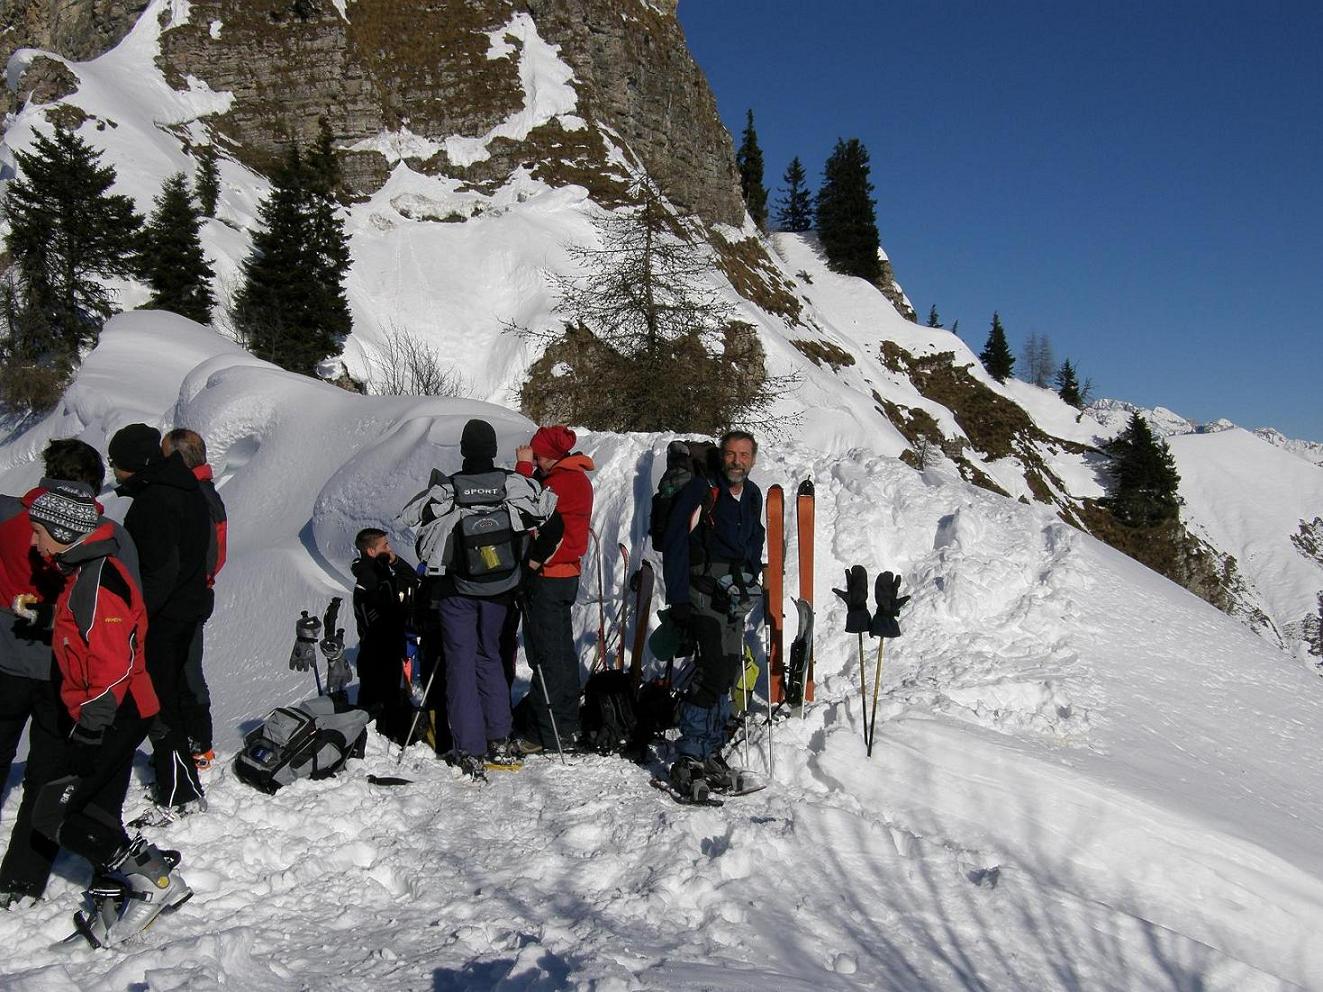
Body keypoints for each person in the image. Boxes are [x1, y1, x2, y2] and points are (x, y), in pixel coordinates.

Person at [27, 482, 190, 947]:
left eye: (40, 532)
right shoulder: (85, 570)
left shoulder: (99, 580)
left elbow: (113, 665)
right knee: (97, 810)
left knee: (53, 814)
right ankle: (114, 898)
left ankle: (153, 879)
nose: (35, 542)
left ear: (63, 530)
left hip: (114, 712)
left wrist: (89, 733)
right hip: (118, 710)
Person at [400, 419, 557, 779]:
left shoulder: (450, 488)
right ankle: (499, 738)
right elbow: (549, 516)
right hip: (500, 590)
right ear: (491, 449)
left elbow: (415, 524)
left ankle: (469, 748)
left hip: (458, 591)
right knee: (490, 658)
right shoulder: (511, 485)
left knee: (460, 664)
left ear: (464, 450)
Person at [0, 440, 116, 905]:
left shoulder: (10, 515)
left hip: (4, 655)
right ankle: (22, 880)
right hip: (61, 666)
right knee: (46, 774)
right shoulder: (98, 531)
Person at [109, 423, 211, 814]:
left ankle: (179, 790)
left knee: (158, 700)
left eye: (115, 462)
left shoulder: (156, 500)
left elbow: (160, 570)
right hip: (186, 608)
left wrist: (136, 614)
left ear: (132, 464)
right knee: (170, 694)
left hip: (163, 617)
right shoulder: (185, 489)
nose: (113, 470)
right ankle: (178, 775)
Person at [660, 430, 765, 797]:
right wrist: (678, 599)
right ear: (722, 457)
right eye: (732, 454)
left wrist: (751, 578)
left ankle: (709, 750)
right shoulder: (702, 490)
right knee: (714, 670)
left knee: (729, 668)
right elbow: (674, 540)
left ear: (753, 459)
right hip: (701, 591)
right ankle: (689, 754)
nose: (738, 461)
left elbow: (755, 539)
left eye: (744, 455)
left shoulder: (751, 495)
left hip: (735, 595)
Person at [512, 426, 595, 753]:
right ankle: (565, 722)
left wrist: (522, 469)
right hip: (567, 575)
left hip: (547, 576)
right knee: (561, 651)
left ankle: (542, 734)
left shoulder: (558, 483)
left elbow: (526, 507)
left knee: (545, 654)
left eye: (538, 453)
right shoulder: (577, 478)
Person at [160, 428, 227, 771]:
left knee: (184, 671)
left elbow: (208, 553)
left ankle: (197, 744)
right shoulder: (206, 492)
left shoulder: (194, 496)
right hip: (197, 592)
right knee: (186, 668)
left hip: (185, 596)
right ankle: (196, 743)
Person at [350, 528, 419, 741]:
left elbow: (411, 578)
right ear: (371, 551)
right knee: (374, 702)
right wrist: (400, 613)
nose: (389, 549)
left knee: (389, 697)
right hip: (376, 653)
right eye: (385, 546)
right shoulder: (368, 581)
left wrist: (394, 560)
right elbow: (378, 621)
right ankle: (374, 740)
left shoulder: (382, 572)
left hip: (389, 649)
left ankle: (391, 733)